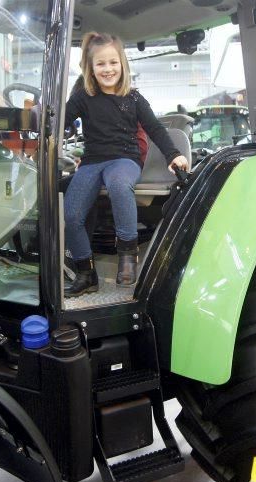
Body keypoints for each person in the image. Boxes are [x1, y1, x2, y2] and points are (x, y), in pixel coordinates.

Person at [63, 32, 189, 297]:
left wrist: (172, 154)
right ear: (91, 68)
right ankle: (86, 274)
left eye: (113, 63)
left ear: (122, 64)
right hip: (92, 161)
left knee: (120, 186)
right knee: (72, 214)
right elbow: (60, 121)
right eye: (101, 64)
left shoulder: (133, 98)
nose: (108, 69)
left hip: (124, 158)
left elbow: (155, 128)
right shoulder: (82, 97)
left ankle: (127, 257)